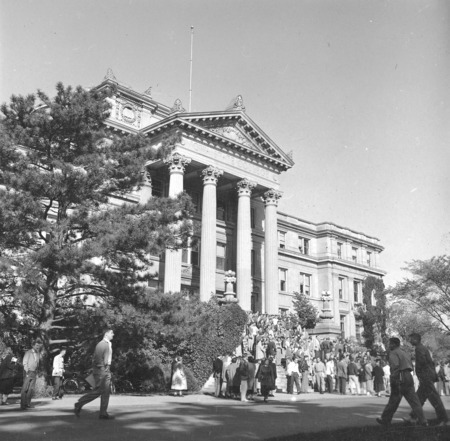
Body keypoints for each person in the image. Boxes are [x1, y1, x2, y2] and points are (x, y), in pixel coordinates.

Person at [376, 337, 428, 426]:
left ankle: (385, 419)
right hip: (408, 375)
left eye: (390, 343)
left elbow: (395, 366)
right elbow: (411, 365)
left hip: (399, 376)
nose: (389, 345)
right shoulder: (405, 353)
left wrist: (393, 378)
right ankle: (423, 420)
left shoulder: (393, 353)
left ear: (393, 344)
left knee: (394, 400)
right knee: (414, 401)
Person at [404, 333, 448, 426]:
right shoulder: (421, 348)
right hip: (426, 377)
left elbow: (423, 363)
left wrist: (422, 376)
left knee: (434, 399)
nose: (410, 341)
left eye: (411, 339)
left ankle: (444, 420)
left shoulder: (419, 349)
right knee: (419, 398)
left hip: (426, 378)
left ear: (416, 339)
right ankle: (413, 417)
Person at [74, 329, 115, 420]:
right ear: (106, 333)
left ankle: (103, 413)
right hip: (102, 370)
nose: (113, 334)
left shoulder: (108, 344)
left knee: (105, 392)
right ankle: (79, 404)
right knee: (99, 391)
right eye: (112, 333)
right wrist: (103, 369)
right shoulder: (101, 344)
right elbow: (97, 359)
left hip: (106, 369)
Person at [20, 338, 43, 410]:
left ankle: (28, 403)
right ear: (33, 345)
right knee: (25, 388)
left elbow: (37, 363)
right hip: (28, 372)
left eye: (38, 346)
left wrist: (37, 371)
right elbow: (24, 362)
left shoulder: (38, 353)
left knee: (31, 389)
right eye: (36, 345)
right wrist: (27, 371)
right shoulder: (28, 352)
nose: (37, 347)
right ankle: (23, 404)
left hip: (34, 372)